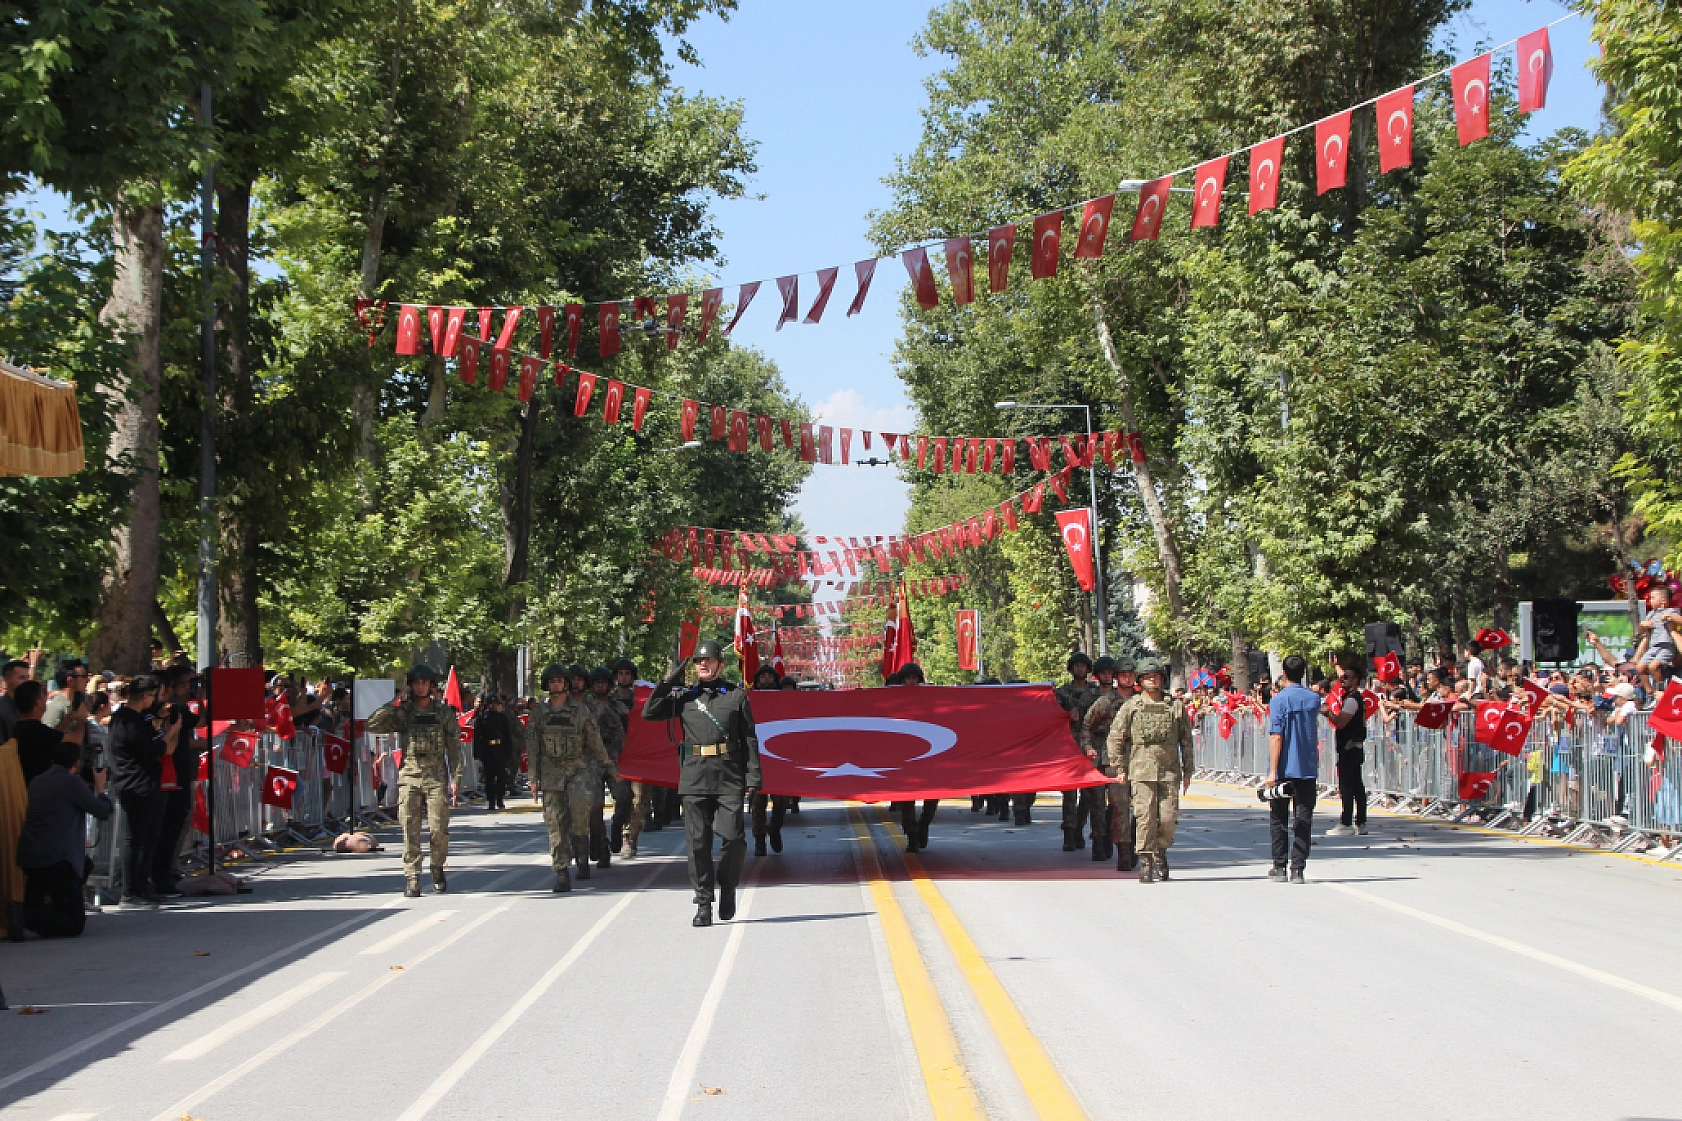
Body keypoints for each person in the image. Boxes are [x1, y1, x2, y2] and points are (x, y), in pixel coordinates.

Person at [641, 639, 762, 928]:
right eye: (698, 661)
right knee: (698, 844)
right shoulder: (684, 698)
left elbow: (749, 738)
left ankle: (728, 885)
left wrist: (754, 777)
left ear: (720, 664)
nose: (703, 664)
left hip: (728, 775)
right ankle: (704, 902)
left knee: (733, 839)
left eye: (708, 660)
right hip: (695, 777)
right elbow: (649, 712)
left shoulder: (735, 696)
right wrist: (667, 682)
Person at [364, 664, 463, 897]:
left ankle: (437, 866)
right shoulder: (404, 713)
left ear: (431, 685)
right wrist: (394, 702)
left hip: (436, 777)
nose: (420, 687)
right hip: (410, 775)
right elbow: (372, 724)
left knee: (438, 828)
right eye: (416, 683)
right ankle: (412, 876)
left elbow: (454, 748)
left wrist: (456, 778)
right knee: (410, 827)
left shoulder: (443, 713)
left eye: (424, 683)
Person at [1107, 657, 1194, 884]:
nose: (1152, 680)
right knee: (1144, 817)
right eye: (1147, 677)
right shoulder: (1132, 706)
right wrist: (1119, 766)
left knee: (1168, 818)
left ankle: (1160, 851)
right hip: (1141, 771)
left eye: (1155, 676)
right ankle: (1145, 860)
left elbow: (1186, 740)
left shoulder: (1175, 707)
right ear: (1141, 680)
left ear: (1162, 679)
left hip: (1169, 771)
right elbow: (1116, 736)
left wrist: (1188, 771)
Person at [14, 740, 113, 938]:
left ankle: (33, 912)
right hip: (56, 861)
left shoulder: (38, 781)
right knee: (74, 924)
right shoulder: (71, 782)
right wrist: (101, 789)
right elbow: (103, 811)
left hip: (30, 856)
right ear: (76, 764)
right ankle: (25, 915)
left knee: (85, 865)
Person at [530, 664, 617, 892]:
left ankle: (582, 857)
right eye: (552, 682)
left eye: (560, 681)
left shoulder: (580, 711)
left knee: (580, 814)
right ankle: (561, 871)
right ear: (547, 685)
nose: (556, 685)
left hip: (578, 771)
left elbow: (595, 740)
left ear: (566, 684)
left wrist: (608, 764)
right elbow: (533, 747)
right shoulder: (539, 714)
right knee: (556, 824)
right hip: (551, 774)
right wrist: (533, 778)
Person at [108, 674, 181, 907]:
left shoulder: (137, 719)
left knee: (149, 838)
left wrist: (159, 724)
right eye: (153, 696)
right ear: (144, 696)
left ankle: (143, 885)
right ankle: (131, 890)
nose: (155, 701)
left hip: (148, 781)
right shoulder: (126, 720)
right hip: (135, 783)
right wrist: (170, 732)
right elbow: (150, 749)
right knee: (135, 838)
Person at [1264, 654, 1321, 884]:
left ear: (1284, 673)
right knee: (1303, 817)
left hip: (1283, 767)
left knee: (1279, 817)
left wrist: (1272, 771)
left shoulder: (1279, 700)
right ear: (1304, 673)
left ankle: (1279, 866)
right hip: (1306, 765)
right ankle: (1298, 868)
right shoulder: (1313, 699)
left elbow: (1276, 736)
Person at [151, 664, 204, 897]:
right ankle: (159, 875)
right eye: (185, 683)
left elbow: (201, 722)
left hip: (180, 771)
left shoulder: (180, 708)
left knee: (178, 822)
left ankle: (168, 870)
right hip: (166, 773)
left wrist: (200, 698)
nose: (188, 687)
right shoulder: (168, 710)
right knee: (166, 825)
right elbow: (167, 744)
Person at [1081, 657, 1130, 867]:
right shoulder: (1102, 700)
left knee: (1122, 805)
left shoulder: (1137, 700)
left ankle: (1123, 843)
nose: (1107, 676)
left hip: (1132, 757)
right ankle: (1100, 841)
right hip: (1103, 756)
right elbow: (1086, 725)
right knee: (1097, 802)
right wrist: (1087, 747)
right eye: (1104, 673)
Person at [889, 663, 940, 853]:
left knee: (932, 797)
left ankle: (924, 825)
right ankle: (912, 835)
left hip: (929, 755)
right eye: (907, 678)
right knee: (906, 800)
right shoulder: (892, 700)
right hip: (904, 756)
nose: (911, 682)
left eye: (914, 678)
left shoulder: (930, 699)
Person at [1055, 652, 1101, 852]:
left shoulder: (1096, 692)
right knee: (1069, 793)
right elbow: (1051, 714)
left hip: (1091, 746)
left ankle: (1080, 827)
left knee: (1089, 794)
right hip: (1069, 746)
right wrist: (1065, 714)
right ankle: (1069, 831)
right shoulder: (1062, 692)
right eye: (1076, 665)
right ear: (1071, 669)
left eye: (1083, 665)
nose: (1080, 668)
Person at [10, 679, 89, 786]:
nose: (46, 698)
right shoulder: (36, 730)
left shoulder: (21, 727)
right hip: (37, 787)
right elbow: (76, 740)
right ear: (37, 703)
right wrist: (81, 720)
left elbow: (53, 736)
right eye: (43, 694)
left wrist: (69, 718)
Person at [585, 666, 625, 869]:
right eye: (597, 683)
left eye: (604, 682)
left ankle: (617, 827)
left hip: (614, 758)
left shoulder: (618, 706)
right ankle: (601, 845)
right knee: (594, 805)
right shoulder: (585, 705)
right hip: (591, 760)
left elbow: (621, 728)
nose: (600, 686)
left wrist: (617, 750)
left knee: (624, 797)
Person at [749, 665, 792, 856]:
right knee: (757, 803)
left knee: (781, 801)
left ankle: (775, 829)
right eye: (762, 677)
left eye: (769, 677)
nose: (766, 680)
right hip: (756, 759)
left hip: (779, 759)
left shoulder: (784, 701)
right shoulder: (748, 701)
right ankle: (759, 839)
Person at [607, 658, 647, 858]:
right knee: (622, 798)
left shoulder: (640, 700)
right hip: (618, 756)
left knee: (639, 800)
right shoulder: (609, 701)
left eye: (627, 674)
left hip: (638, 756)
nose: (624, 677)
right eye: (620, 673)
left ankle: (630, 838)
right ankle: (621, 831)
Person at [1325, 662, 1369, 837]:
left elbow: (1341, 722)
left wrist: (1327, 712)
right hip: (1353, 746)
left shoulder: (1352, 700)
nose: (1342, 680)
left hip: (1349, 747)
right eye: (1342, 677)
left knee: (1347, 785)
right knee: (1356, 784)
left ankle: (1346, 822)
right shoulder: (1352, 698)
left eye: (1346, 677)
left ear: (1355, 680)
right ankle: (1361, 822)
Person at [472, 693, 518, 811]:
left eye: (495, 704)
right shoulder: (482, 720)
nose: (493, 706)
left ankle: (500, 799)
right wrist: (477, 755)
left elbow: (507, 736)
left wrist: (509, 751)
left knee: (501, 776)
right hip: (488, 750)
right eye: (490, 704)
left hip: (500, 749)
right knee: (489, 778)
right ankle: (491, 800)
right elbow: (477, 738)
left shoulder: (502, 718)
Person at [1634, 584, 1681, 695]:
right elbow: (1641, 632)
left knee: (1653, 666)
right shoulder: (1651, 614)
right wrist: (1643, 625)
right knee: (1640, 667)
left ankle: (1660, 689)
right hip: (1653, 646)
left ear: (1663, 600)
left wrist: (1671, 617)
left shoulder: (1672, 611)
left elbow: (1680, 620)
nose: (1650, 600)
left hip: (1666, 646)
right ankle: (1649, 690)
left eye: (1653, 598)